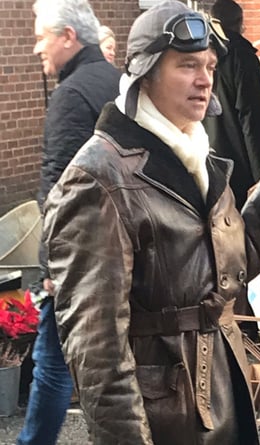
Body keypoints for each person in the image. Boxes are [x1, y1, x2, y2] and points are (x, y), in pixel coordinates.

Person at [42, 1, 260, 444]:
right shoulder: (98, 179)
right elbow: (97, 354)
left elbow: (220, 272)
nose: (205, 78)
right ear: (146, 73)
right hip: (165, 421)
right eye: (187, 65)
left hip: (222, 396)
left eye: (208, 65)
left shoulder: (196, 154)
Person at [18, 1, 120, 444]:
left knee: (54, 363)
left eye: (41, 36)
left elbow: (58, 188)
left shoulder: (71, 94)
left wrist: (51, 267)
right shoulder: (123, 84)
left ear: (68, 37)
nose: (36, 47)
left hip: (80, 255)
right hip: (127, 246)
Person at [203, 0, 260, 210]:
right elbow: (253, 119)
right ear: (240, 23)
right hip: (239, 163)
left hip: (205, 158)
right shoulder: (242, 56)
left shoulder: (199, 55)